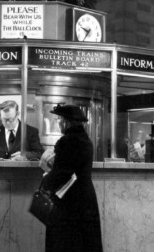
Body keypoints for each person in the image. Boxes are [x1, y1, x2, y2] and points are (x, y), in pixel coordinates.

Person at [41, 104, 103, 252]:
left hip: (68, 203)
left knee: (64, 243)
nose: (57, 122)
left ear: (66, 121)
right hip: (86, 200)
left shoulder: (67, 142)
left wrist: (46, 178)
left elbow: (61, 174)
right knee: (85, 242)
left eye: (58, 119)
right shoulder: (86, 141)